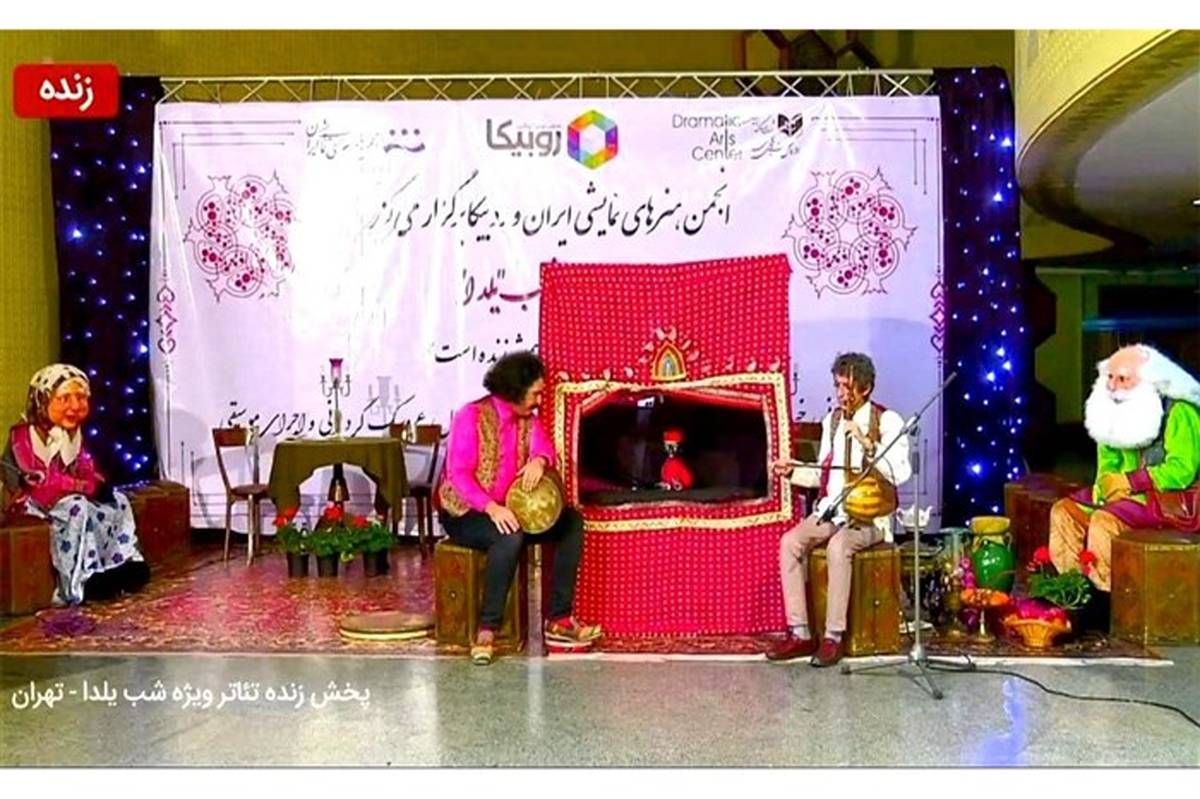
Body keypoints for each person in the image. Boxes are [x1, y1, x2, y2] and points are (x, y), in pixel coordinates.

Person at [435, 351, 602, 665]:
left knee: (571, 522)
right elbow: (458, 474)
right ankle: (487, 630)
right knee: (509, 535)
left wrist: (540, 461)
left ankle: (559, 619)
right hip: (466, 513)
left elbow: (545, 449)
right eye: (535, 393)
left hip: (513, 510)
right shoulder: (471, 416)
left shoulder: (528, 420)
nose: (539, 401)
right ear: (514, 390)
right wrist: (491, 508)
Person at [766, 353, 911, 666]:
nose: (841, 393)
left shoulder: (887, 421)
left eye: (848, 386)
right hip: (834, 511)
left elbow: (900, 473)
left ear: (866, 388)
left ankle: (833, 637)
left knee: (839, 546)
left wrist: (868, 443)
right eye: (838, 386)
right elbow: (823, 474)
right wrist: (792, 471)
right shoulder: (831, 421)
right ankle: (801, 633)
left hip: (870, 517)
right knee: (790, 543)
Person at [1048, 344, 1200, 622]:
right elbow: (1107, 465)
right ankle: (1072, 596)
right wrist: (1106, 489)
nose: (1114, 386)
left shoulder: (1180, 411)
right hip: (1122, 497)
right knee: (1063, 513)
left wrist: (1131, 482)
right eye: (1111, 377)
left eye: (1123, 379)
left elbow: (1183, 471)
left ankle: (1106, 605)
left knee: (1104, 522)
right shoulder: (1111, 411)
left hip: (1164, 499)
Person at [1, 364, 149, 604]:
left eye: (81, 398)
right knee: (77, 507)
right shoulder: (23, 436)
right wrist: (84, 487)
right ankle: (79, 581)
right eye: (64, 399)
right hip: (31, 501)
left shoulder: (72, 434)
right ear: (43, 400)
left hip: (63, 498)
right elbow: (38, 481)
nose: (75, 406)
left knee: (118, 501)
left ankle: (122, 562)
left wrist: (97, 483)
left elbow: (84, 468)